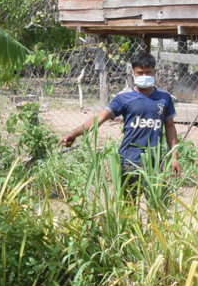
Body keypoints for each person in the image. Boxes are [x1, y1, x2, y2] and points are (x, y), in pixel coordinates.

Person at [59, 51, 181, 188]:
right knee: (128, 200)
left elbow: (170, 127)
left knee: (158, 199)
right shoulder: (123, 97)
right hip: (129, 161)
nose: (144, 76)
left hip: (155, 161)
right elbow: (99, 118)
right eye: (140, 73)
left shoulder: (164, 97)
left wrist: (174, 158)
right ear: (132, 73)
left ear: (155, 72)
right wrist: (75, 133)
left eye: (148, 72)